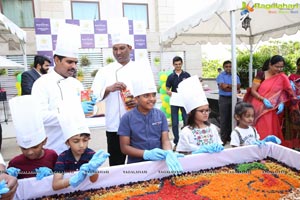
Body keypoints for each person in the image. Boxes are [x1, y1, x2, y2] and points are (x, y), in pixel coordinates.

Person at [32, 23, 94, 155]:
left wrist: (90, 108)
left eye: (75, 62)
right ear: (56, 60)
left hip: (77, 148)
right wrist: (76, 111)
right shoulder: (41, 83)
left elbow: (85, 115)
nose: (74, 66)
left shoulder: (77, 84)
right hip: (54, 147)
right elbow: (40, 117)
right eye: (69, 62)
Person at [91, 18, 138, 166]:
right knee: (116, 164)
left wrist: (138, 101)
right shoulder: (105, 71)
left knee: (137, 164)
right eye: (115, 49)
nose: (118, 52)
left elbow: (150, 95)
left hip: (136, 124)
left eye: (122, 48)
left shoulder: (141, 68)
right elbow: (94, 95)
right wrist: (108, 89)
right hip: (113, 126)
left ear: (130, 48)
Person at [118, 69, 183, 173]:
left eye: (153, 95)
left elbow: (165, 140)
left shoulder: (160, 115)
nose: (152, 99)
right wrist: (146, 154)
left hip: (159, 165)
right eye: (146, 95)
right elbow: (124, 147)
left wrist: (169, 153)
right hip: (136, 167)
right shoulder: (127, 118)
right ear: (136, 99)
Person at [244, 55, 298, 148]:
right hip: (259, 106)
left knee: (272, 129)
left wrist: (281, 103)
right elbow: (253, 90)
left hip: (273, 108)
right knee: (260, 129)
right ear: (270, 65)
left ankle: (271, 152)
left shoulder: (282, 77)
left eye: (281, 67)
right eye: (276, 66)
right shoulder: (261, 74)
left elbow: (285, 93)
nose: (279, 69)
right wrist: (263, 99)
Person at [52, 101, 109, 190]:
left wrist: (92, 169)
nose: (82, 145)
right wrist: (71, 180)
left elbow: (94, 180)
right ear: (68, 142)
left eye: (85, 140)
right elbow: (55, 185)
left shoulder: (91, 155)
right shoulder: (62, 158)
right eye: (76, 141)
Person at [7, 95, 57, 179]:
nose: (30, 152)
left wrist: (52, 174)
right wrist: (9, 176)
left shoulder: (52, 156)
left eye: (35, 147)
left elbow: (61, 175)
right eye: (24, 148)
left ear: (44, 141)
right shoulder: (15, 163)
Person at [176, 75, 223, 154]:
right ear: (191, 112)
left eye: (207, 110)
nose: (206, 113)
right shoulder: (186, 132)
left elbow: (219, 145)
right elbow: (182, 152)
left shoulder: (212, 128)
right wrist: (195, 152)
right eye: (202, 111)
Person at [166, 56, 191, 150]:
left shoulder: (187, 75)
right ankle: (177, 141)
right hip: (175, 100)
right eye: (176, 64)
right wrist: (168, 92)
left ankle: (186, 140)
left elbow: (190, 86)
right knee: (175, 122)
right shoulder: (170, 76)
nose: (178, 66)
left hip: (184, 100)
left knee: (186, 120)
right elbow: (167, 88)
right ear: (173, 65)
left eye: (179, 64)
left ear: (182, 64)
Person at [216, 60, 241, 145]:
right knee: (224, 119)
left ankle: (231, 138)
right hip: (224, 99)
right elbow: (223, 87)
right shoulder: (221, 75)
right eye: (226, 67)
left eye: (230, 66)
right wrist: (232, 87)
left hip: (234, 98)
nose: (228, 68)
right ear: (224, 67)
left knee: (233, 118)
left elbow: (238, 87)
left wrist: (228, 86)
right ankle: (223, 139)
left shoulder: (235, 75)